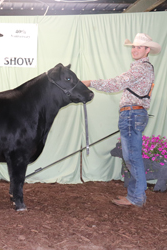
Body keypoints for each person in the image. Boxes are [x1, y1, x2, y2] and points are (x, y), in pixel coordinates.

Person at [82, 33, 161, 207]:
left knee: (132, 157)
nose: (135, 50)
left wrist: (90, 82)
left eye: (139, 47)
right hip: (132, 114)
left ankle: (137, 197)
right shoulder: (139, 68)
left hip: (132, 115)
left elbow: (116, 83)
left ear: (148, 50)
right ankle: (134, 195)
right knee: (131, 157)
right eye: (134, 47)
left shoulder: (142, 68)